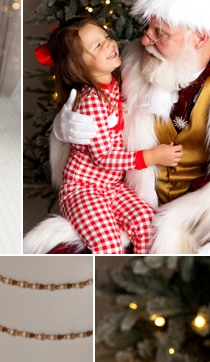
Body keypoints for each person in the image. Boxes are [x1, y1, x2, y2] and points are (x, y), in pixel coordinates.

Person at [24, 0, 210, 254]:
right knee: (63, 250)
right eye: (148, 27)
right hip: (126, 198)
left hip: (204, 214)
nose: (146, 39)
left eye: (161, 33)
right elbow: (90, 96)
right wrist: (63, 128)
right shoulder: (131, 64)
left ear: (200, 37)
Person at [46, 17, 183, 253]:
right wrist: (151, 156)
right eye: (97, 46)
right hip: (83, 190)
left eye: (106, 37)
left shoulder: (113, 83)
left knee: (146, 223)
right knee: (108, 243)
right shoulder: (91, 102)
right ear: (79, 66)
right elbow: (105, 157)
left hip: (112, 187)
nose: (109, 44)